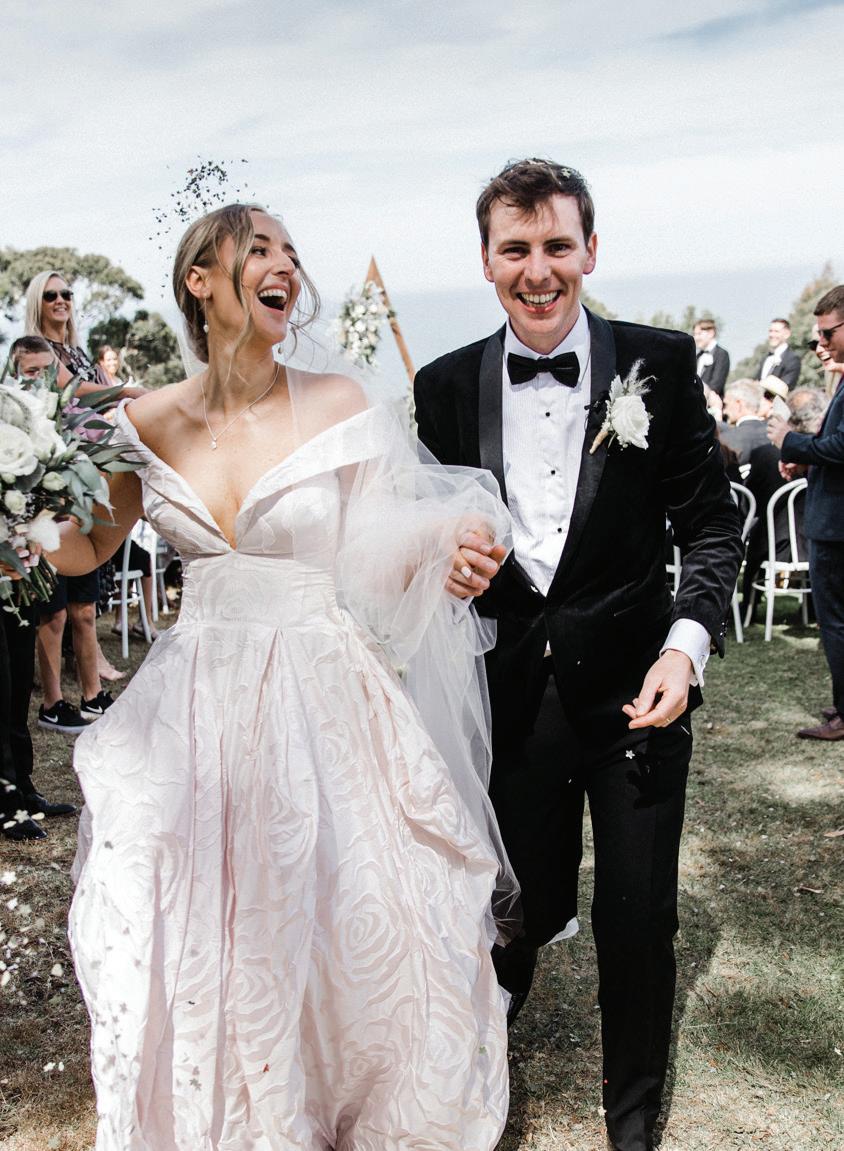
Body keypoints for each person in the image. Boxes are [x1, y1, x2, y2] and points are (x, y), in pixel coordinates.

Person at [48, 203, 516, 1150]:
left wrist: (442, 545)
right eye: (258, 249)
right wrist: (21, 505)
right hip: (195, 702)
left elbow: (368, 554)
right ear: (200, 280)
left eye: (293, 254)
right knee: (187, 906)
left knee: (341, 902)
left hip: (319, 684)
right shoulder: (141, 421)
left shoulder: (337, 402)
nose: (285, 268)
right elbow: (83, 548)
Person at [413, 158, 743, 1151]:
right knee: (524, 908)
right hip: (513, 699)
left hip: (641, 694)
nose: (538, 269)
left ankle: (631, 1124)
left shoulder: (661, 362)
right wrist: (441, 554)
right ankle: (473, 1090)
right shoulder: (441, 386)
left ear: (590, 250)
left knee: (636, 919)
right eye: (515, 248)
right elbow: (422, 526)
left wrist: (685, 648)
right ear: (485, 260)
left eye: (557, 245)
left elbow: (711, 526)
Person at [768, 285, 844, 740]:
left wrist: (790, 442)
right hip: (832, 520)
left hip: (836, 528)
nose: (821, 343)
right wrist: (806, 462)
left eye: (828, 333)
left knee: (835, 622)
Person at [720, 378, 769, 465]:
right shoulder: (774, 435)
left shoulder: (728, 439)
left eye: (726, 405)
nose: (724, 411)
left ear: (739, 404)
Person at [755, 317, 802, 390]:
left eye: (776, 331)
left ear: (787, 334)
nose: (772, 335)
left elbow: (786, 386)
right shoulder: (765, 358)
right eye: (770, 331)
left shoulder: (792, 359)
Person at [693, 317, 730, 398]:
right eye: (694, 334)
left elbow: (716, 386)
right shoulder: (697, 356)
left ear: (711, 333)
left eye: (699, 334)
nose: (695, 338)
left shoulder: (721, 354)